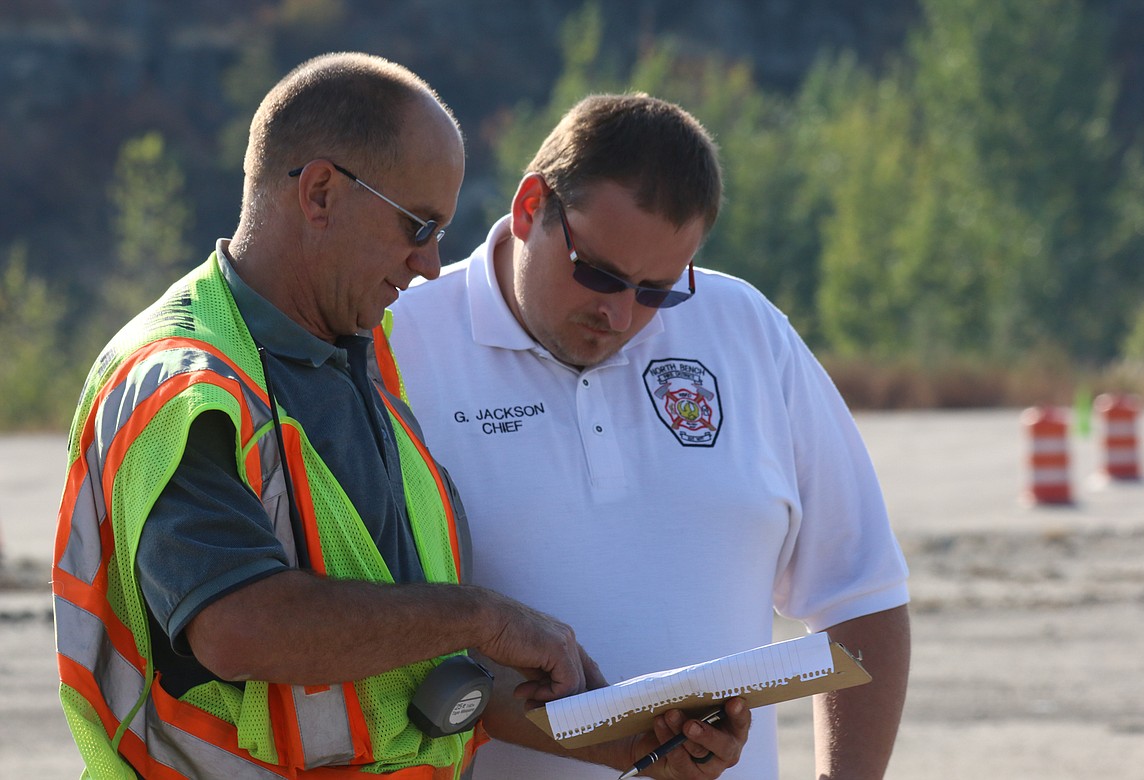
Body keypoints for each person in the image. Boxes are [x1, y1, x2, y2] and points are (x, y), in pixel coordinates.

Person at [52, 57, 749, 779]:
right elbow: (240, 627)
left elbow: (410, 678)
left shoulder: (368, 362)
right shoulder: (182, 384)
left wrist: (630, 742)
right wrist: (485, 618)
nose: (428, 263)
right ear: (320, 192)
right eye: (418, 225)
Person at [387, 93, 912, 779]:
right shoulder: (394, 340)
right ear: (528, 209)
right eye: (598, 273)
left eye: (658, 290)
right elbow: (365, 641)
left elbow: (862, 593)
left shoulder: (747, 329)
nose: (619, 313)